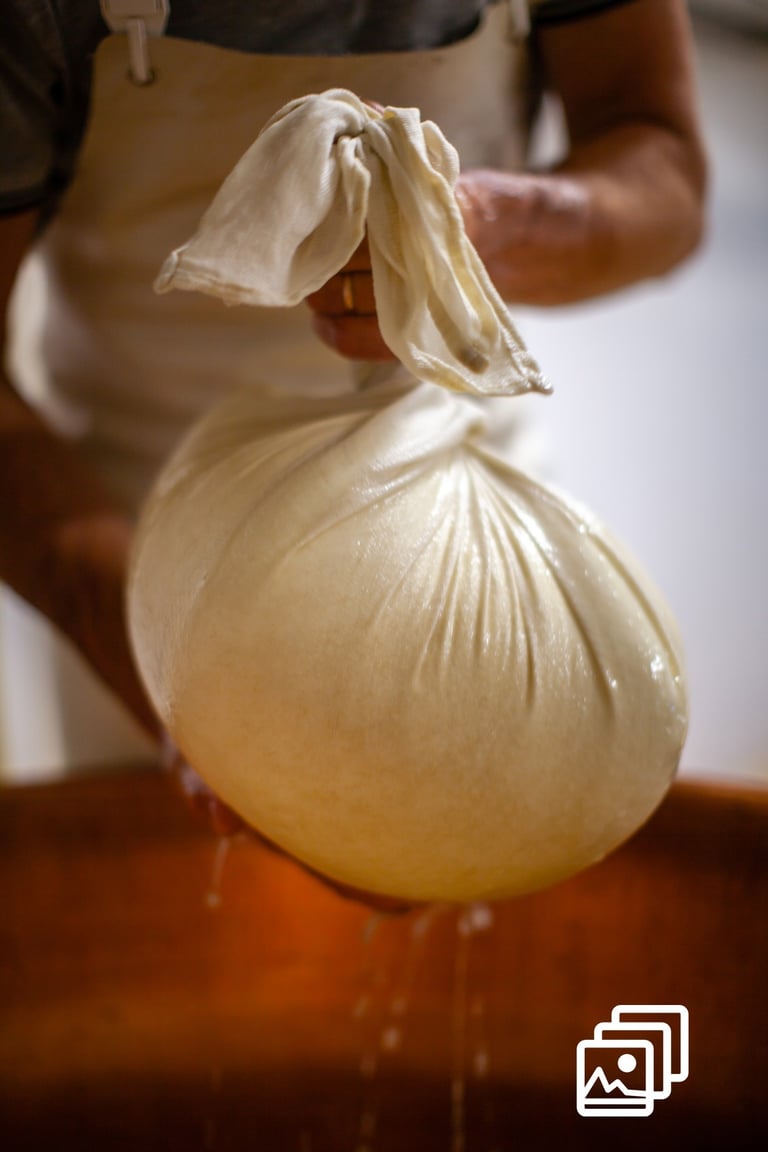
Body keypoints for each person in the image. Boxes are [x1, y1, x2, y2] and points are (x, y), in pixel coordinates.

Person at [0, 1, 706, 830]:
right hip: (141, 548)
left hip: (474, 511)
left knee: (494, 848)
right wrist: (183, 687)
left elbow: (664, 167)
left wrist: (475, 235)